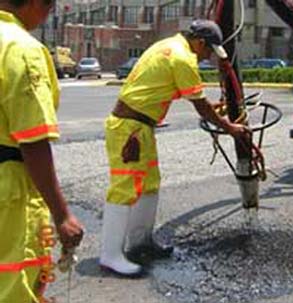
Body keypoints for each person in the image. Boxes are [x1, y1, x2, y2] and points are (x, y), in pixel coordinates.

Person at [100, 19, 249, 276]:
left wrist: (215, 111)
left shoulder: (168, 46)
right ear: (200, 43)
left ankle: (140, 243)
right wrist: (230, 128)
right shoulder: (183, 58)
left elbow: (185, 95)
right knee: (124, 188)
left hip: (139, 127)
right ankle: (110, 255)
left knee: (149, 184)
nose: (207, 57)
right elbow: (200, 106)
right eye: (208, 51)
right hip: (129, 129)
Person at [0, 0, 84, 301]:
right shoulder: (21, 49)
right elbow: (32, 141)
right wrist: (62, 215)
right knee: (13, 279)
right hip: (9, 190)